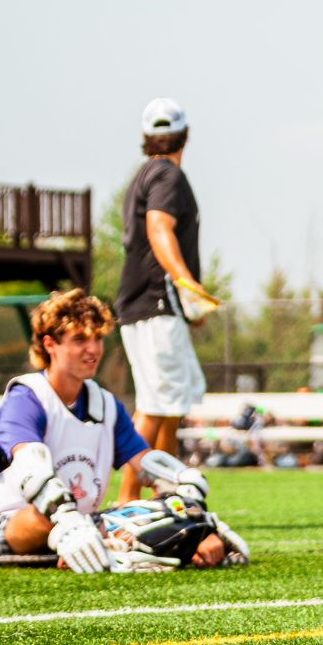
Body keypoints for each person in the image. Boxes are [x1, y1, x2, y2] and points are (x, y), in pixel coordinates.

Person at [0, 289, 240, 572]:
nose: (93, 349)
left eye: (97, 338)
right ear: (50, 344)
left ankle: (100, 543)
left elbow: (147, 465)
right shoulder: (27, 397)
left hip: (85, 523)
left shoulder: (104, 404)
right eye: (79, 339)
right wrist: (67, 520)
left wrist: (194, 518)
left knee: (164, 517)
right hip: (11, 527)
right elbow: (31, 464)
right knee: (45, 517)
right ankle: (87, 541)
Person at [115, 98, 218, 503]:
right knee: (157, 404)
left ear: (146, 138)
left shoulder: (143, 173)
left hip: (143, 305)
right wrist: (187, 285)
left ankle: (167, 491)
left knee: (166, 402)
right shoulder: (168, 176)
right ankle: (126, 499)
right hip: (157, 304)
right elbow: (159, 228)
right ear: (185, 137)